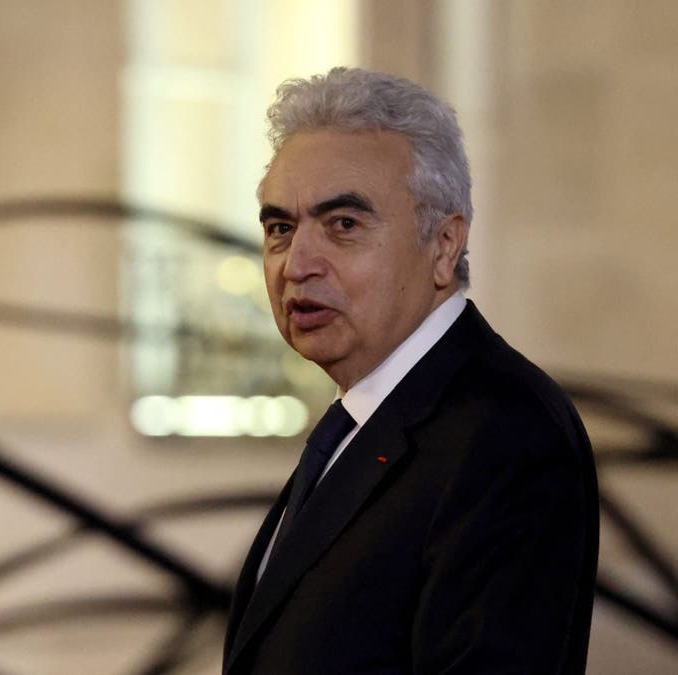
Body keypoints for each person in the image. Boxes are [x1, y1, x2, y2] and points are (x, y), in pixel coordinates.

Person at [223, 67, 599, 674]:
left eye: (343, 224)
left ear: (444, 246)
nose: (297, 264)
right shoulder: (363, 419)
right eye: (281, 229)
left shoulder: (506, 437)